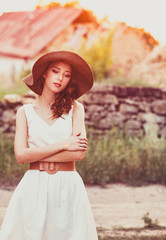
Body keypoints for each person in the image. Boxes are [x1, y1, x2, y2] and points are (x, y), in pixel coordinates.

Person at [0, 50, 98, 240]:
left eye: (67, 75)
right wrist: (64, 144)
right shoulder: (24, 112)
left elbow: (77, 154)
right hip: (33, 185)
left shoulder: (76, 109)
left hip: (68, 185)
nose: (60, 78)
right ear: (44, 73)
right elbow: (20, 156)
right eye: (55, 71)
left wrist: (34, 154)